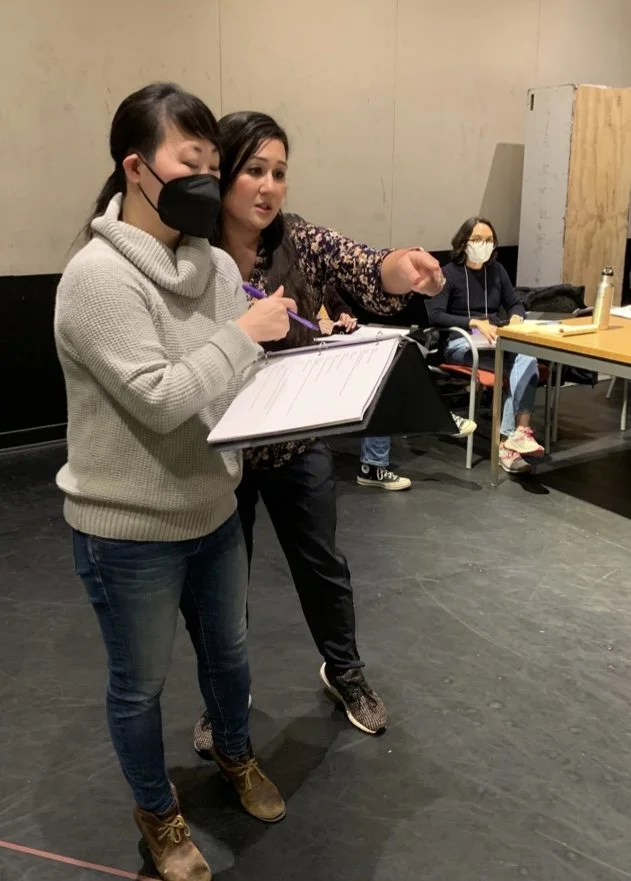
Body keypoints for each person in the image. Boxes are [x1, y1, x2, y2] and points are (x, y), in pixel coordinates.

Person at [54, 84, 296, 881]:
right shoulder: (97, 278)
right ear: (136, 167)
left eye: (213, 166)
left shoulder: (215, 264)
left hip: (212, 510)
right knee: (140, 686)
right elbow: (159, 399)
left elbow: (230, 379)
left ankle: (234, 751)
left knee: (230, 656)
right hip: (128, 530)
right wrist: (243, 336)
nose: (208, 180)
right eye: (191, 162)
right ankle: (157, 810)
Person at [192, 110, 444, 755]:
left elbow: (366, 266)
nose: (269, 187)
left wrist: (402, 266)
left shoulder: (299, 241)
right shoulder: (191, 251)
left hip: (296, 440)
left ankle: (345, 672)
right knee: (223, 581)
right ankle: (223, 696)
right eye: (254, 170)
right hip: (221, 449)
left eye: (279, 173)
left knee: (322, 566)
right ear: (223, 174)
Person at [426, 216, 544, 474]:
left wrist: (517, 316)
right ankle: (508, 446)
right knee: (513, 368)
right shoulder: (448, 274)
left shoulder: (497, 271)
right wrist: (474, 322)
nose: (484, 244)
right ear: (463, 242)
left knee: (527, 360)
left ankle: (519, 434)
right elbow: (435, 315)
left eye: (489, 240)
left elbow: (515, 303)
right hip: (460, 343)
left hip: (494, 341)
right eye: (477, 239)